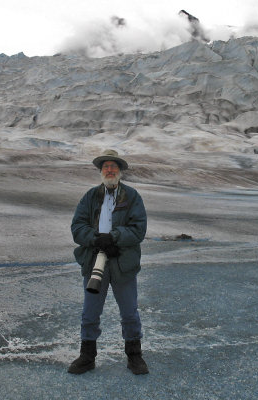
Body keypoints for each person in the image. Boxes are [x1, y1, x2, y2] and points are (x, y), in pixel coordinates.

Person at [68, 149, 149, 375]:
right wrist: (97, 239)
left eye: (113, 167)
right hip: (95, 260)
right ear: (101, 171)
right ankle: (87, 356)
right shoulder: (90, 197)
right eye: (106, 167)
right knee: (90, 312)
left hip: (123, 262)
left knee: (129, 312)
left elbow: (138, 229)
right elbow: (77, 227)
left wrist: (114, 238)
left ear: (120, 171)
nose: (110, 170)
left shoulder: (132, 197)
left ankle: (134, 356)